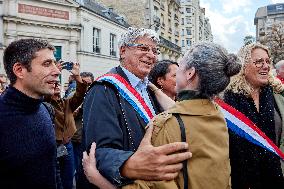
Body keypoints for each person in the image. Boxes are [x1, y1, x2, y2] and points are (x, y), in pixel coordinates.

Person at [83, 42, 241, 189]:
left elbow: (150, 185)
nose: (152, 55)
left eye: (180, 64)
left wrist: (98, 180)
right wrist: (155, 89)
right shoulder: (217, 114)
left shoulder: (166, 125)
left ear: (190, 73)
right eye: (144, 48)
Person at [82, 27, 191, 187]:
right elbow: (98, 151)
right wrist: (130, 164)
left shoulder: (150, 89)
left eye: (155, 50)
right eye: (143, 48)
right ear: (123, 51)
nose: (151, 55)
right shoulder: (103, 89)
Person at [0, 38, 61, 188]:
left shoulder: (45, 110)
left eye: (54, 62)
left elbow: (53, 168)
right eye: (47, 64)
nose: (57, 71)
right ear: (19, 70)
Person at [224, 43, 284, 188]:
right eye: (258, 62)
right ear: (243, 65)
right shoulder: (226, 99)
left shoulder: (278, 95)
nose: (265, 66)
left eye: (267, 61)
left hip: (276, 178)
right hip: (238, 180)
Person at [45, 64, 89, 189]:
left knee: (69, 178)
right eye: (54, 83)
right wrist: (55, 73)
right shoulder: (45, 102)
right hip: (52, 146)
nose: (57, 85)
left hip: (67, 145)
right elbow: (46, 95)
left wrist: (77, 75)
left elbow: (80, 94)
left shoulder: (67, 103)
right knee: (55, 180)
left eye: (58, 83)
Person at [72, 71, 94, 187]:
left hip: (92, 139)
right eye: (83, 83)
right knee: (79, 170)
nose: (86, 86)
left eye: (89, 84)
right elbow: (68, 115)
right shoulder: (74, 95)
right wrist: (78, 109)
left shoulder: (96, 96)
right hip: (77, 138)